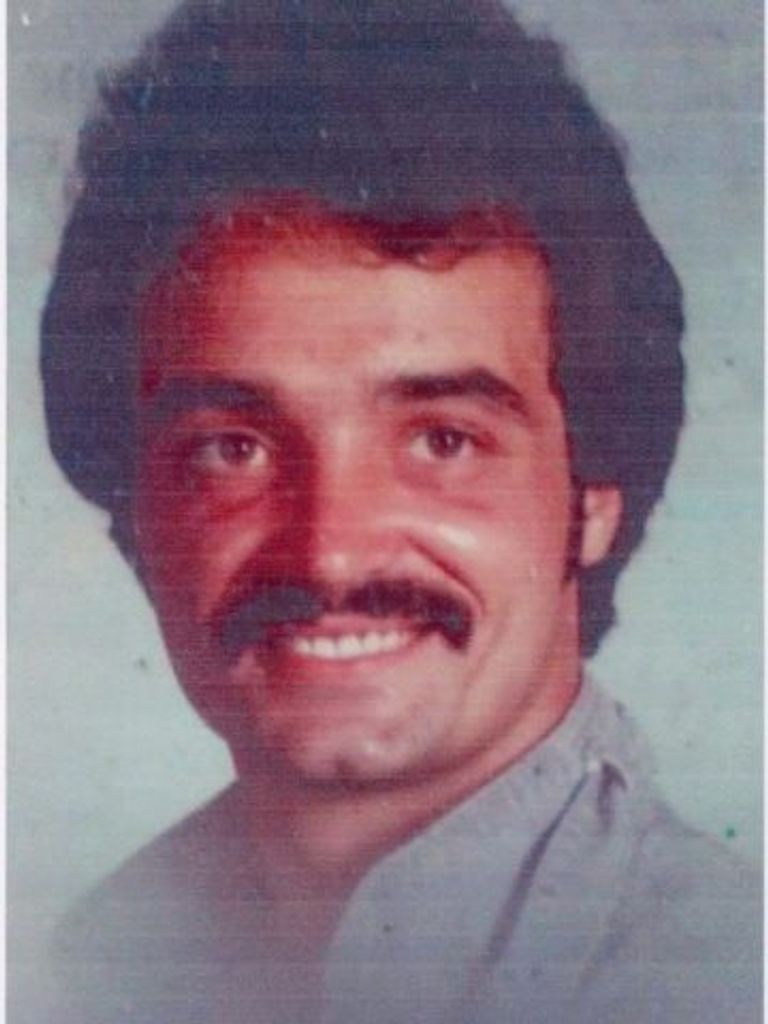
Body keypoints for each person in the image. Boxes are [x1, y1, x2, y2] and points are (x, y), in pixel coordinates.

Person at [40, 1, 759, 1021]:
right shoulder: (82, 972)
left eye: (443, 441)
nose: (329, 550)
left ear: (595, 496)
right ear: (134, 506)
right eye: (232, 448)